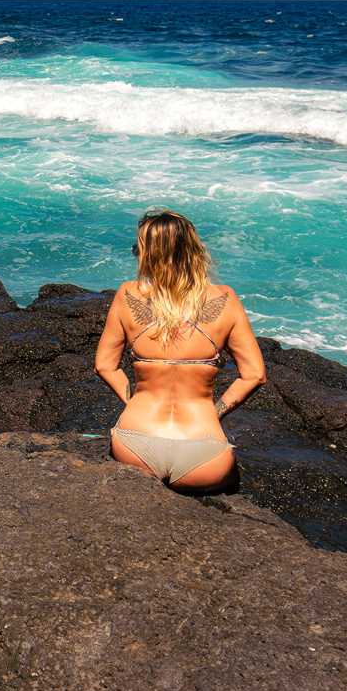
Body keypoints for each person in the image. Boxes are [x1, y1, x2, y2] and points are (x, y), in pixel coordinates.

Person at [93, 211, 266, 493]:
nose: (135, 254)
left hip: (135, 446)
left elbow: (104, 366)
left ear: (150, 254)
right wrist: (214, 412)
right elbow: (255, 375)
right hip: (204, 456)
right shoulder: (226, 298)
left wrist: (135, 401)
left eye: (137, 248)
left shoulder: (127, 294)